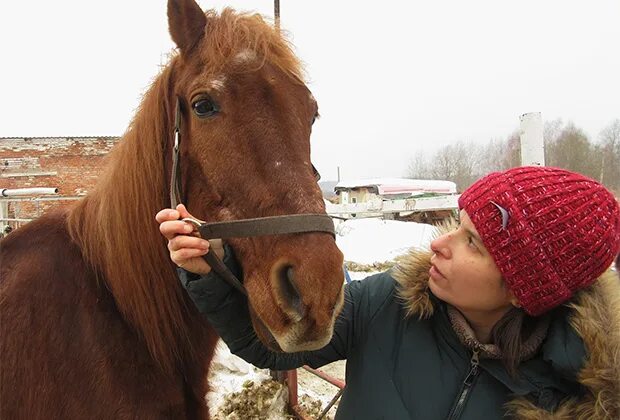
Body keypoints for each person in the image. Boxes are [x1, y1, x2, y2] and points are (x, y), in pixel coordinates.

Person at [157, 166, 620, 419]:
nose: (438, 243)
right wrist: (213, 269)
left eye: (472, 243)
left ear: (524, 289)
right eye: (457, 226)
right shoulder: (387, 302)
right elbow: (275, 348)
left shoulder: (579, 399)